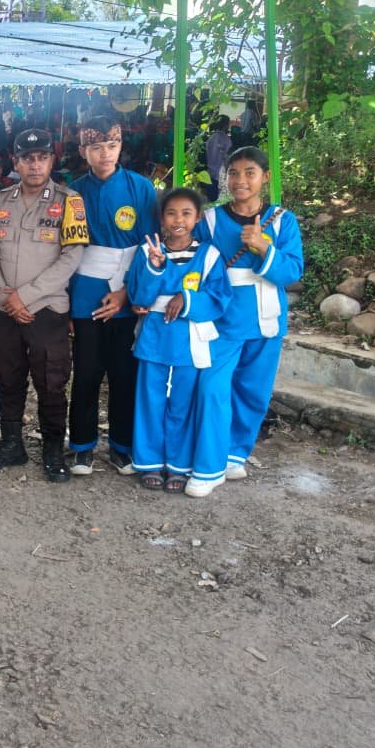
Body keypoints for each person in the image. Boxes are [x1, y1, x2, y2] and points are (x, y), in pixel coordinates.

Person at [188, 147, 303, 498]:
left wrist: (264, 248)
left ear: (265, 177)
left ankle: (234, 453)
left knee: (253, 390)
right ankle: (208, 465)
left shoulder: (282, 221)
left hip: (266, 316)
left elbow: (293, 271)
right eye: (233, 173)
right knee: (211, 387)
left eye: (249, 172)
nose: (240, 180)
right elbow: (192, 262)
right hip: (222, 317)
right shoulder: (209, 220)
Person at [0, 127, 88, 481]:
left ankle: (53, 451)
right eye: (28, 159)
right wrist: (7, 296)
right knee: (8, 377)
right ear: (16, 162)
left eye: (42, 157)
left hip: (47, 309)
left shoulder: (70, 201)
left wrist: (23, 297)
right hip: (6, 309)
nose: (35, 165)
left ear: (51, 161)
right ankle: (12, 446)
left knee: (51, 381)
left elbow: (72, 256)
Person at [66, 117, 159, 477]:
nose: (105, 154)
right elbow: (68, 250)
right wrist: (68, 304)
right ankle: (82, 446)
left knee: (124, 374)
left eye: (112, 145)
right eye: (96, 147)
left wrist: (125, 293)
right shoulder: (73, 193)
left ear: (120, 146)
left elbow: (150, 247)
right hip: (85, 293)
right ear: (83, 151)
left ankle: (122, 446)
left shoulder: (140, 188)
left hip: (129, 292)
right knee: (86, 372)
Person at [124, 188, 231, 493]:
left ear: (198, 218)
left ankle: (178, 465)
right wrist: (156, 267)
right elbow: (139, 296)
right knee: (150, 400)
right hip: (154, 337)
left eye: (186, 213)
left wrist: (186, 299)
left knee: (183, 402)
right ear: (161, 218)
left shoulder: (209, 256)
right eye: (171, 213)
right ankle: (149, 462)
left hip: (190, 340)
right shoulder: (148, 251)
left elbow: (219, 297)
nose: (178, 220)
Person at [204, 116, 232, 203]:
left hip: (209, 174)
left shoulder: (210, 138)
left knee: (210, 201)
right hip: (220, 175)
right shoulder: (226, 140)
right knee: (219, 202)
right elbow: (227, 158)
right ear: (226, 125)